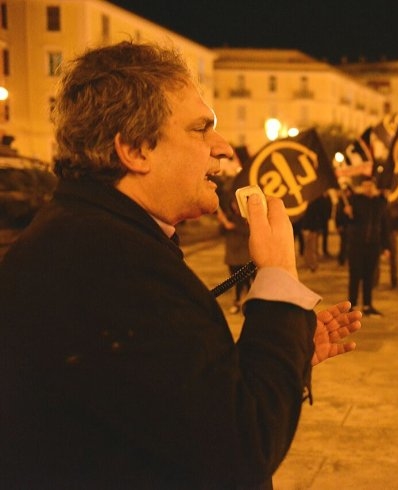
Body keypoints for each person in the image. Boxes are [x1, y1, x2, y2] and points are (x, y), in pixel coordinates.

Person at [0, 42, 361, 489]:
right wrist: (279, 278)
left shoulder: (92, 237)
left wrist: (285, 353)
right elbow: (242, 448)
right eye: (200, 128)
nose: (223, 147)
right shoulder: (115, 266)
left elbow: (170, 400)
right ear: (135, 148)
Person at [344, 175, 390, 316]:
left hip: (373, 245)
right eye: (365, 186)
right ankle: (351, 305)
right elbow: (344, 221)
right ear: (362, 187)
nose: (368, 188)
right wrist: (346, 213)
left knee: (369, 276)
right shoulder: (355, 201)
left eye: (371, 186)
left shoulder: (380, 203)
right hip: (356, 245)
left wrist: (386, 247)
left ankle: (367, 304)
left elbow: (385, 225)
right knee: (355, 276)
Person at [215, 147, 252, 314]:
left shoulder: (246, 216)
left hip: (245, 252)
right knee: (236, 279)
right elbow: (222, 232)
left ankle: (247, 301)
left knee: (247, 279)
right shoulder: (229, 214)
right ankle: (238, 301)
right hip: (232, 253)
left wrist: (232, 225)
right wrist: (223, 222)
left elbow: (247, 232)